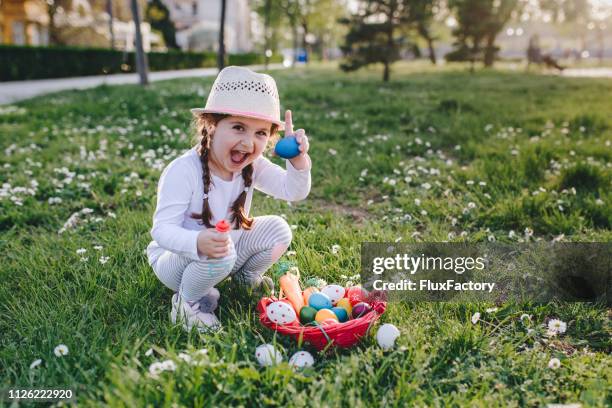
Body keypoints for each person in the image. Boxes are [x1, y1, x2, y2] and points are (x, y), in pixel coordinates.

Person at [146, 66, 312, 333]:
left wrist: (298, 160)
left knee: (278, 230)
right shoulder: (183, 171)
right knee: (222, 249)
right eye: (238, 127)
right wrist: (197, 242)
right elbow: (162, 230)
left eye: (260, 133)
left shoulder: (252, 165)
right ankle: (186, 303)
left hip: (224, 252)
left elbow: (293, 191)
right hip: (176, 262)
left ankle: (245, 279)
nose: (248, 143)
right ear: (211, 125)